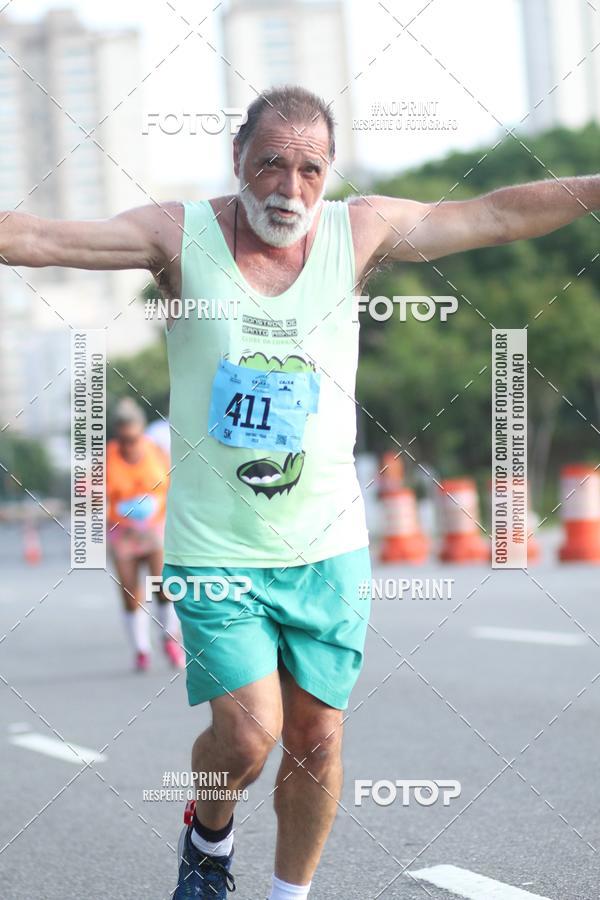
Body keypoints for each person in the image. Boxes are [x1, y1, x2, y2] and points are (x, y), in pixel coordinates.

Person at [1, 84, 599, 899]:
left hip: (329, 545)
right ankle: (209, 842)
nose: (289, 188)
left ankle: (290, 895)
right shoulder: (178, 237)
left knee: (316, 738)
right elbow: (35, 236)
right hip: (216, 547)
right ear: (237, 161)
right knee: (249, 734)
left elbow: (495, 215)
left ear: (330, 172)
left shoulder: (360, 231)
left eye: (310, 169)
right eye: (270, 165)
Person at [107, 397, 184, 672]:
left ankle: (169, 637)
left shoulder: (156, 452)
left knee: (164, 586)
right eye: (124, 439)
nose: (130, 444)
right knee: (131, 593)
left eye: (134, 437)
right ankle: (141, 649)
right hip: (122, 532)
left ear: (141, 431)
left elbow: (173, 485)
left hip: (154, 529)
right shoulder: (108, 457)